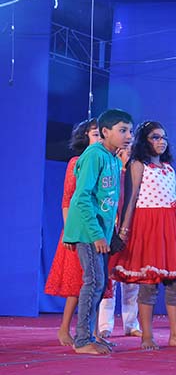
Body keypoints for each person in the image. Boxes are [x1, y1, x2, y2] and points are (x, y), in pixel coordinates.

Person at [110, 121, 176, 350]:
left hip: (172, 227)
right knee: (149, 283)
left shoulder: (169, 168)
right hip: (148, 226)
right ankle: (147, 336)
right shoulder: (138, 165)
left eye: (164, 137)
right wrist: (124, 230)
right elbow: (131, 198)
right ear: (145, 140)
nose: (161, 141)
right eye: (155, 137)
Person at [62, 109, 134, 355]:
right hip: (88, 232)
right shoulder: (94, 155)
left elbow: (108, 202)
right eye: (122, 130)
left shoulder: (113, 159)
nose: (128, 136)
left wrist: (109, 233)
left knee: (99, 284)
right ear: (105, 132)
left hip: (100, 231)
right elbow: (81, 198)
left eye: (130, 131)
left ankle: (90, 336)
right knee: (93, 282)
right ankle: (82, 340)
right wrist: (97, 235)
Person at [45, 118, 115, 346]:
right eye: (95, 135)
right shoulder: (78, 161)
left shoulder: (107, 160)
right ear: (86, 137)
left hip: (99, 230)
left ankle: (93, 332)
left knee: (98, 284)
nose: (99, 139)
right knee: (79, 283)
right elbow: (69, 199)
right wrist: (69, 233)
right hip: (79, 230)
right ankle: (65, 329)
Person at [97, 142, 142, 340]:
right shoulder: (112, 173)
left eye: (131, 153)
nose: (128, 156)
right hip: (112, 230)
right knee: (110, 279)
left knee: (132, 279)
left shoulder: (138, 176)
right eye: (125, 152)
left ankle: (131, 324)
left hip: (133, 231)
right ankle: (104, 325)